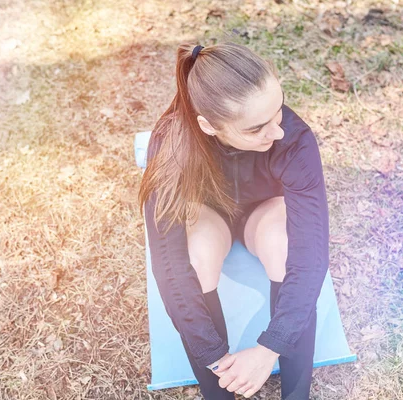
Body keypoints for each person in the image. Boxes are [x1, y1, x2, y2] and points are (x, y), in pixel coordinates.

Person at [138, 42, 330, 399]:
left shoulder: (295, 139)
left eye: (278, 112)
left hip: (264, 212)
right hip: (209, 215)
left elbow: (311, 255)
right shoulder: (171, 143)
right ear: (209, 127)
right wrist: (215, 358)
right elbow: (171, 268)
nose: (278, 133)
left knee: (285, 244)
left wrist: (270, 347)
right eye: (257, 128)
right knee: (196, 259)